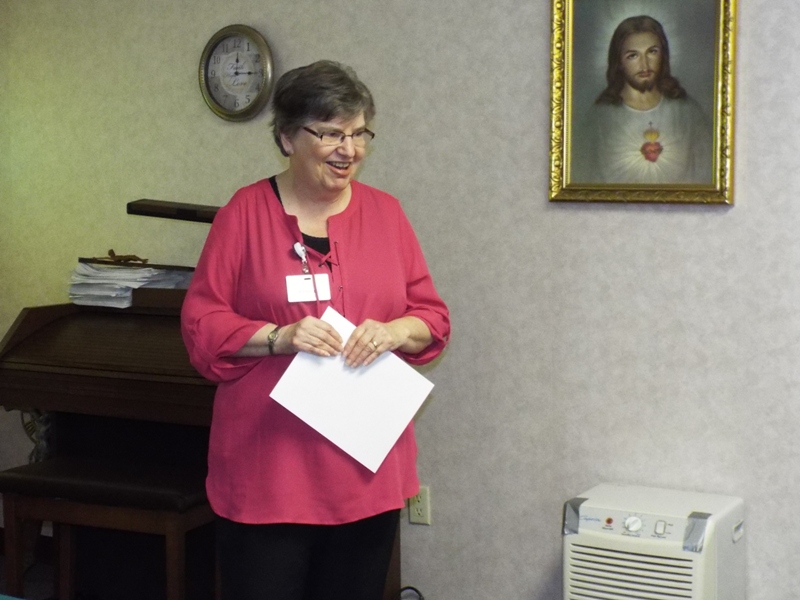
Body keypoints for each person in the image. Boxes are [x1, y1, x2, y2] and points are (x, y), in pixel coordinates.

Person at [180, 60, 450, 600]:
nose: (348, 149)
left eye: (359, 133)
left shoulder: (388, 215)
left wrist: (395, 331)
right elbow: (202, 324)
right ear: (287, 137)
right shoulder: (242, 214)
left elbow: (433, 318)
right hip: (269, 471)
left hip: (366, 471)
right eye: (330, 133)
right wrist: (278, 337)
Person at [572, 15, 713, 185]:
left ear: (663, 55)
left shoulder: (687, 111)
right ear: (619, 62)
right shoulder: (600, 116)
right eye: (633, 56)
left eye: (652, 52)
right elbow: (581, 175)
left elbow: (707, 175)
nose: (644, 65)